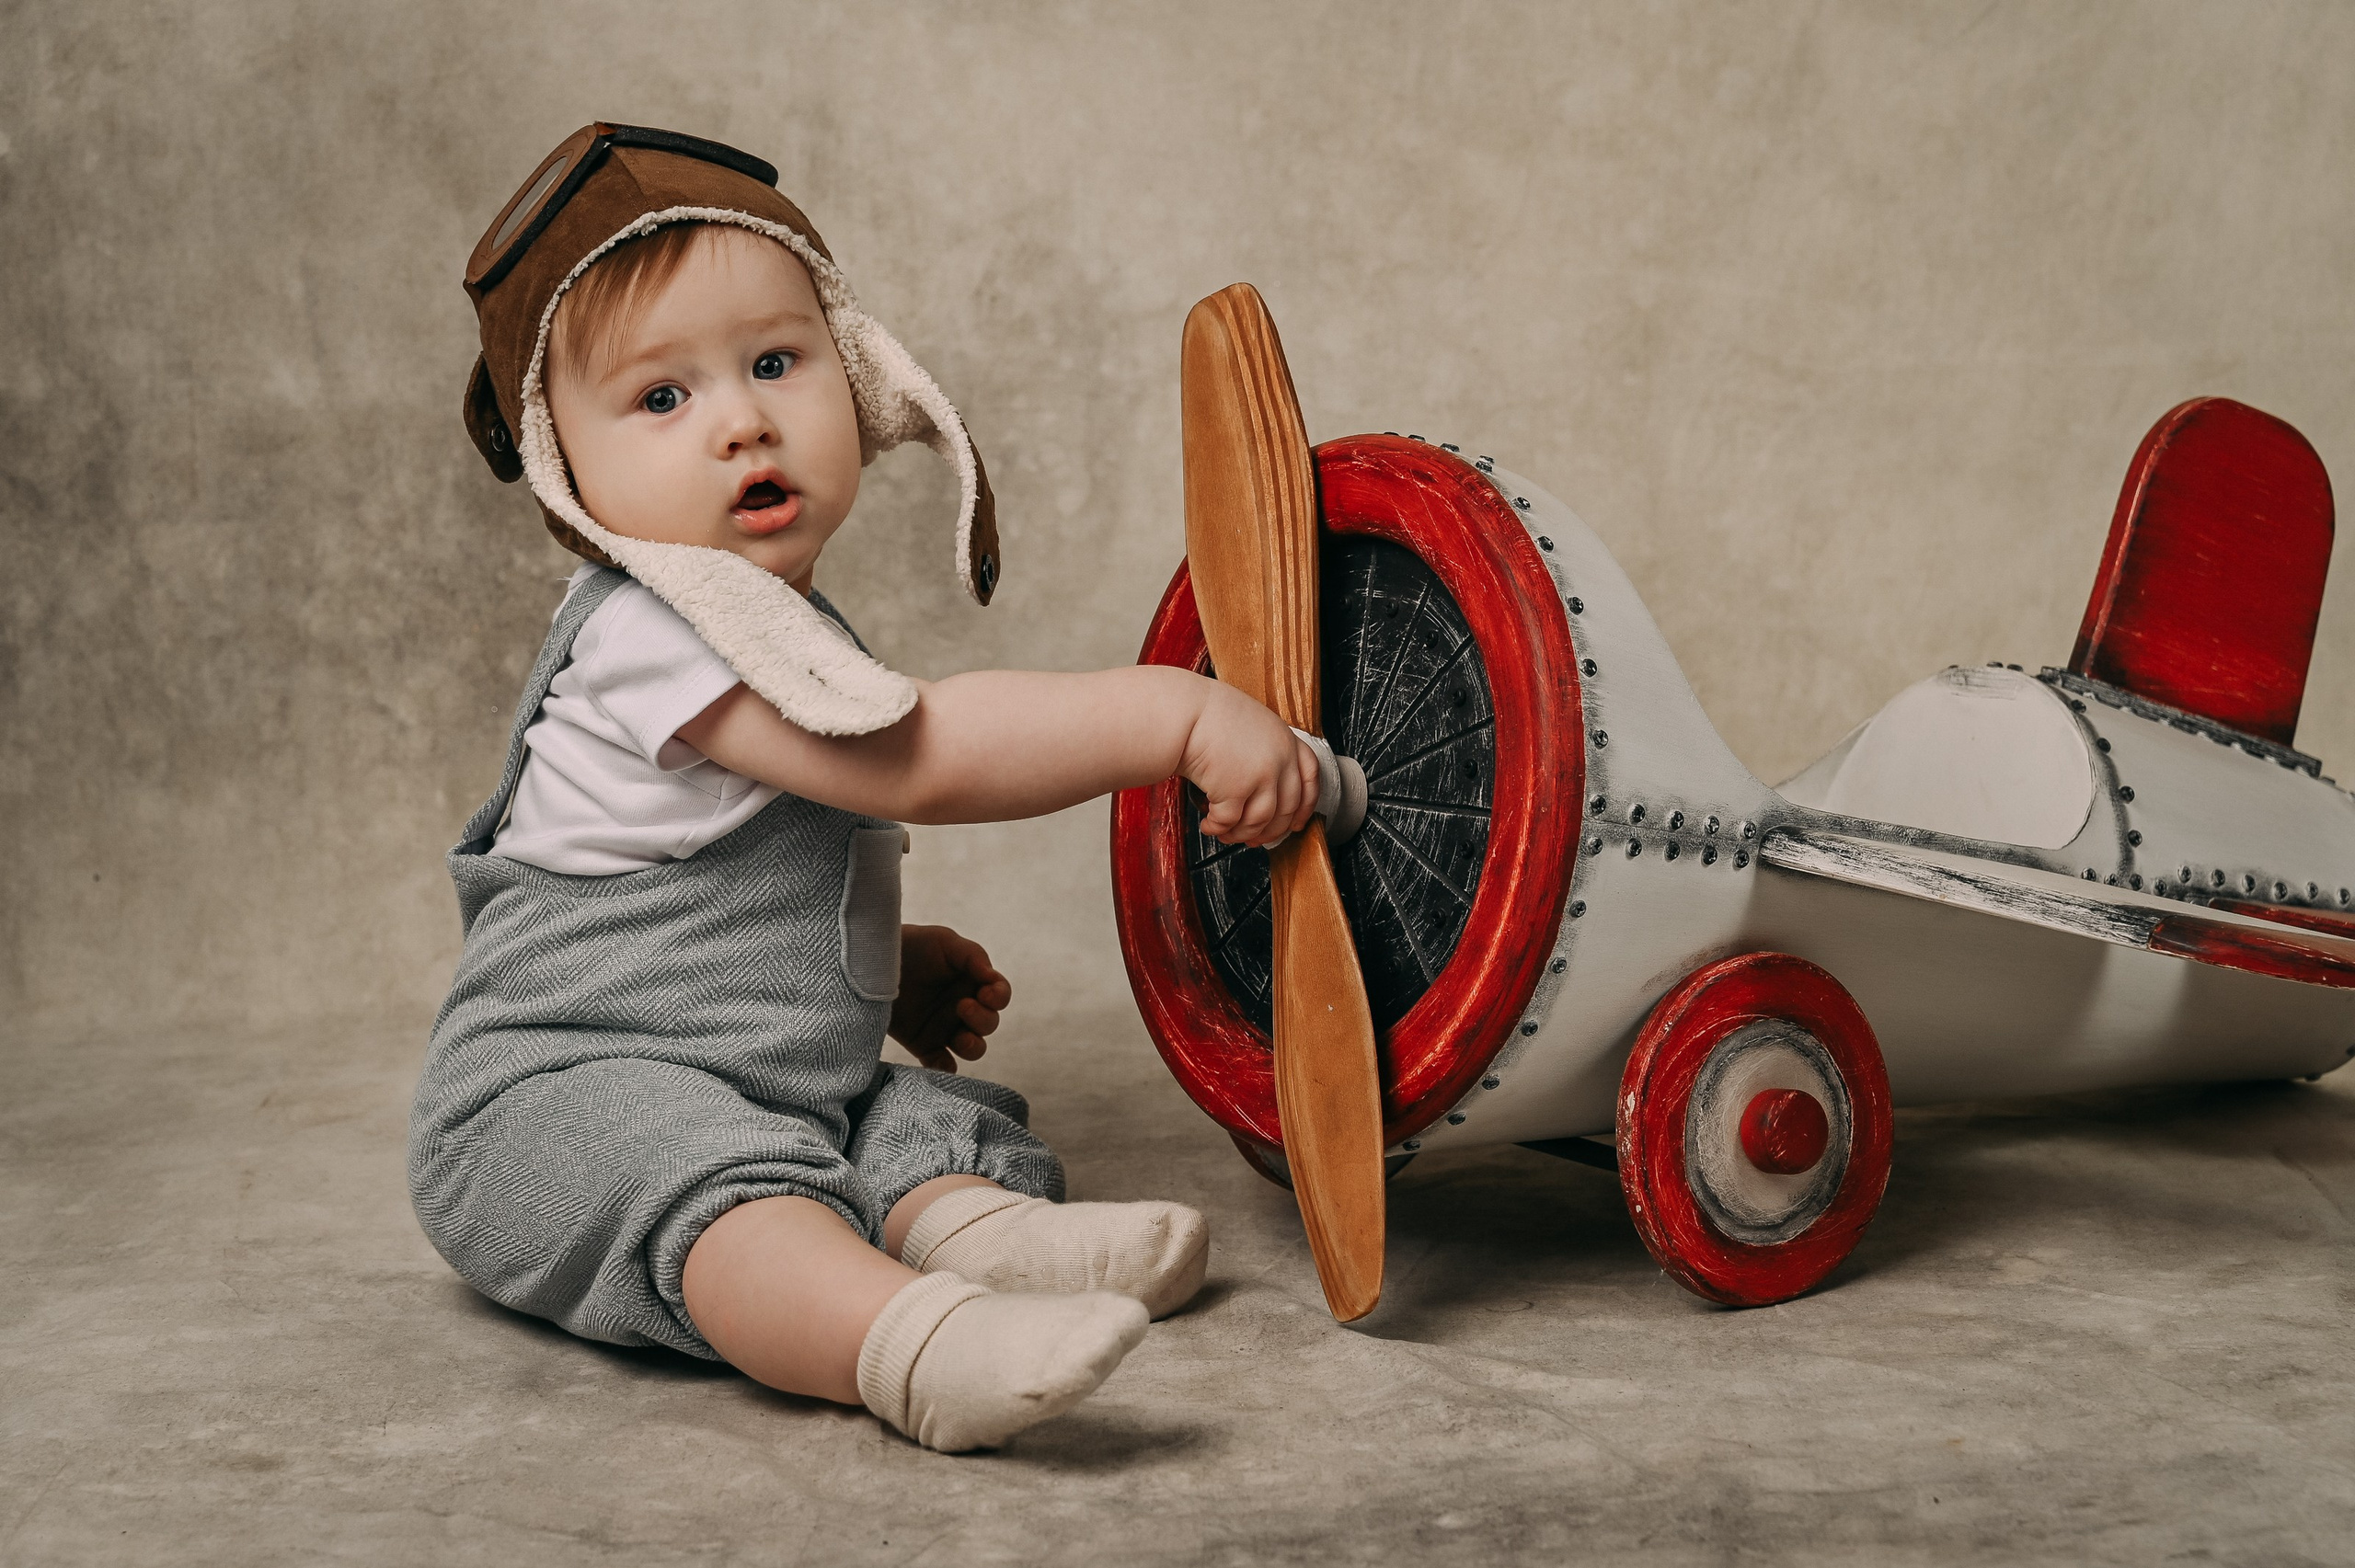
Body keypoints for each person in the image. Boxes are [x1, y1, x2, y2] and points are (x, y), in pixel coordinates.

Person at [409, 124, 1322, 1453]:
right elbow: (916, 755)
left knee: (901, 1117)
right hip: (551, 1100)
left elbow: (695, 889)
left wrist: (875, 967)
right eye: (662, 398)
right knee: (723, 1187)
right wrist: (1171, 713)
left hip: (737, 1062)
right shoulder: (649, 631)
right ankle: (910, 1342)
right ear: (569, 466)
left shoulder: (775, 619)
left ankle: (993, 1237)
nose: (742, 418)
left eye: (776, 361)